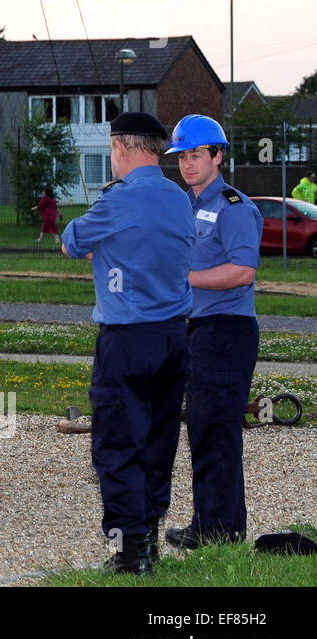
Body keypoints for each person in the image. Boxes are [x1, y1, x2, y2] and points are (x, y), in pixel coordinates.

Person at [60, 112, 194, 575]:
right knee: (159, 441)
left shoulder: (117, 202)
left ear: (121, 147)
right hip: (175, 336)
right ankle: (151, 540)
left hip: (125, 339)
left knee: (117, 444)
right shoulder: (179, 199)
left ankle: (129, 553)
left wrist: (105, 242)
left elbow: (71, 242)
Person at [163, 114, 263, 550]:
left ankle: (218, 528)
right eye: (182, 156)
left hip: (226, 330)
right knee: (203, 427)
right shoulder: (183, 204)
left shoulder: (233, 206)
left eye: (196, 155)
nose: (188, 163)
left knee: (216, 427)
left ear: (218, 156)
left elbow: (242, 271)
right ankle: (216, 523)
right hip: (195, 328)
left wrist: (182, 279)